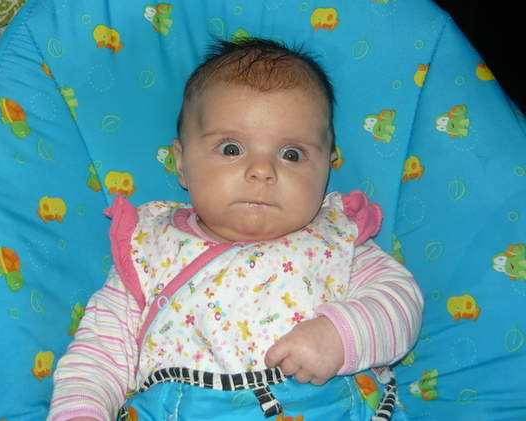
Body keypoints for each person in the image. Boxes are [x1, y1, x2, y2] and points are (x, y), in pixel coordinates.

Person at [48, 38, 423, 421]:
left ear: (327, 165)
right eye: (231, 149)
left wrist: (340, 336)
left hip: (317, 404)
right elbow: (100, 351)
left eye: (291, 154)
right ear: (181, 163)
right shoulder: (149, 247)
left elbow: (399, 302)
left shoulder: (335, 240)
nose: (262, 170)